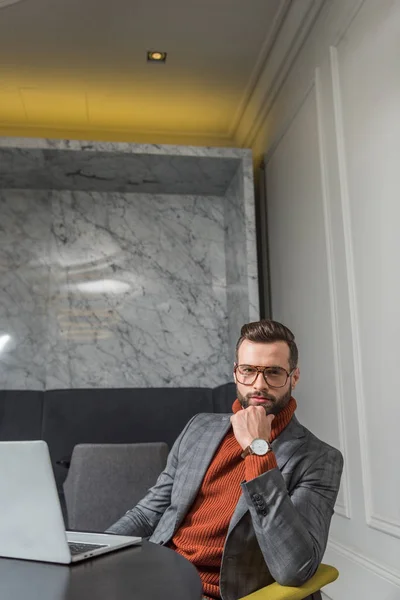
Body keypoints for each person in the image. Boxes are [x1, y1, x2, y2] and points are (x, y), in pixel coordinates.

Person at [107, 319, 343, 600]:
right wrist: (92, 549)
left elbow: (295, 568)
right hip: (159, 578)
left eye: (274, 373)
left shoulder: (319, 458)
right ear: (235, 373)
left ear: (294, 377)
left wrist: (258, 449)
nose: (259, 385)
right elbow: (147, 513)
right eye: (248, 371)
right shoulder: (199, 428)